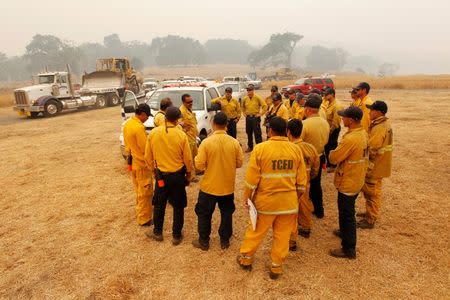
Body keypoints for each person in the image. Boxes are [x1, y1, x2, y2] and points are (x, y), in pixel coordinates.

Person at [237, 117, 307, 280]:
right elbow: (302, 183)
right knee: (282, 237)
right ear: (286, 131)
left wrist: (247, 198)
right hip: (288, 204)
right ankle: (276, 268)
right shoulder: (296, 150)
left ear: (270, 131)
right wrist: (294, 198)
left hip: (265, 203)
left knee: (255, 231)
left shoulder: (261, 149)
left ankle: (246, 260)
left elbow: (251, 180)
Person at [192, 112, 244, 250]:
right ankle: (224, 241)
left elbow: (199, 165)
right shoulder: (234, 143)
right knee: (226, 213)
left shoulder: (206, 142)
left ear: (213, 124)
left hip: (209, 186)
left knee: (204, 213)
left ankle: (203, 241)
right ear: (226, 125)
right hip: (227, 186)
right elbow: (239, 164)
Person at [144, 107, 193, 245]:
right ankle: (176, 236)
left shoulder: (153, 133)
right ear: (177, 120)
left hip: (161, 177)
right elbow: (188, 159)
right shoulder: (181, 134)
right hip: (178, 177)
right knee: (178, 206)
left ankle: (158, 232)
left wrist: (154, 171)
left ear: (165, 117)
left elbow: (147, 156)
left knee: (159, 204)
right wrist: (188, 174)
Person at [328, 106, 369, 259]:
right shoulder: (362, 133)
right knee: (346, 210)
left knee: (347, 214)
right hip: (357, 178)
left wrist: (332, 152)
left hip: (349, 181)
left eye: (344, 117)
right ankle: (344, 232)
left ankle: (348, 248)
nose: (342, 119)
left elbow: (334, 158)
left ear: (351, 120)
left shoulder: (351, 139)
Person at [358, 101, 393, 229]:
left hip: (375, 166)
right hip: (379, 165)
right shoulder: (382, 123)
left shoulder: (379, 127)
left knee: (372, 193)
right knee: (372, 191)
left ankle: (370, 219)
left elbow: (372, 148)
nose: (369, 112)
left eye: (372, 110)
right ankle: (369, 212)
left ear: (379, 112)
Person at [287, 119, 320, 250]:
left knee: (290, 212)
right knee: (305, 203)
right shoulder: (310, 148)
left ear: (288, 132)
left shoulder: (289, 149)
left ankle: (291, 239)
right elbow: (315, 167)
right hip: (305, 182)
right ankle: (306, 227)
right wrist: (309, 178)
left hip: (292, 184)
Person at [123, 103, 153, 226]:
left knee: (139, 191)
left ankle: (140, 212)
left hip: (133, 163)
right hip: (142, 165)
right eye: (147, 116)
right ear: (142, 114)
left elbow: (128, 145)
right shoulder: (139, 128)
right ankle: (144, 219)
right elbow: (145, 149)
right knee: (145, 193)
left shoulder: (128, 124)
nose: (147, 119)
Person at [301, 93, 330, 218]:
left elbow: (299, 142)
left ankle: (305, 210)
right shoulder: (325, 123)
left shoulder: (305, 124)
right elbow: (327, 141)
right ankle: (319, 210)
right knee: (316, 183)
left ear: (307, 109)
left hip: (307, 158)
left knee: (305, 185)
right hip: (320, 155)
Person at [242, 84, 267, 152]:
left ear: (253, 90)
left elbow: (265, 106)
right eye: (247, 90)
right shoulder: (245, 98)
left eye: (250, 90)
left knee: (257, 133)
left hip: (255, 118)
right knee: (249, 132)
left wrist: (260, 114)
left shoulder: (257, 97)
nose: (248, 91)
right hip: (248, 118)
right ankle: (250, 147)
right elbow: (242, 107)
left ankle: (260, 148)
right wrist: (244, 113)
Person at [322, 88, 342, 173]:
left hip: (333, 129)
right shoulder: (327, 103)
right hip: (327, 129)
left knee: (332, 146)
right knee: (326, 146)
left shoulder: (337, 105)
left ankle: (333, 165)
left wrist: (330, 131)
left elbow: (335, 121)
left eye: (326, 94)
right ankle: (329, 163)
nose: (324, 96)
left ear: (332, 94)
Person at [179, 94, 198, 161]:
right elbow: (179, 127)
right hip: (188, 140)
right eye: (188, 102)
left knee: (195, 159)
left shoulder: (189, 108)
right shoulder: (181, 111)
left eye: (191, 101)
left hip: (193, 138)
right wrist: (185, 130)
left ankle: (196, 171)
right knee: (189, 160)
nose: (191, 103)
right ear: (183, 102)